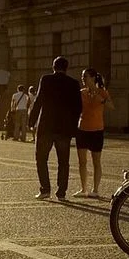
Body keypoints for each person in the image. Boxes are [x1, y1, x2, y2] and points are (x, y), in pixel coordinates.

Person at [28, 56, 82, 200]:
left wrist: (31, 121)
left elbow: (38, 101)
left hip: (46, 126)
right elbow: (78, 107)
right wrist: (73, 126)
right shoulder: (73, 83)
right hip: (64, 129)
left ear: (53, 67)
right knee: (63, 162)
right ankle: (61, 193)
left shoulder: (46, 79)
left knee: (41, 159)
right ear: (66, 68)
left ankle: (45, 189)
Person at [74, 68, 114, 198]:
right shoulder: (81, 93)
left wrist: (100, 98)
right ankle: (83, 189)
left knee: (96, 161)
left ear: (92, 78)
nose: (83, 79)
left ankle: (95, 189)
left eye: (85, 77)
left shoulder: (102, 92)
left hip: (97, 130)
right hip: (82, 129)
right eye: (82, 77)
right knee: (82, 161)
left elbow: (111, 107)